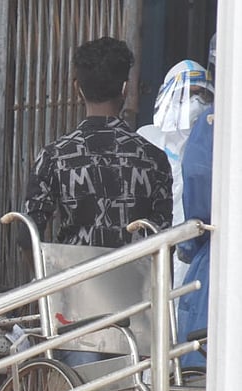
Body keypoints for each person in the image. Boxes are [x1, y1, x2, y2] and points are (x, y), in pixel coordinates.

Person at [22, 37, 172, 367]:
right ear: (125, 88)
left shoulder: (55, 156)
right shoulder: (153, 159)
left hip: (73, 308)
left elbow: (28, 236)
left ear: (77, 88)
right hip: (138, 310)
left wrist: (52, 293)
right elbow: (165, 241)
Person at [137, 60, 214, 286]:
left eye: (203, 95)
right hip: (155, 243)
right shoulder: (148, 139)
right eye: (188, 94)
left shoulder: (214, 147)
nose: (196, 102)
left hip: (198, 246)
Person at [176, 34, 217, 370]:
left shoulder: (214, 122)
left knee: (200, 375)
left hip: (218, 257)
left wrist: (190, 246)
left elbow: (199, 179)